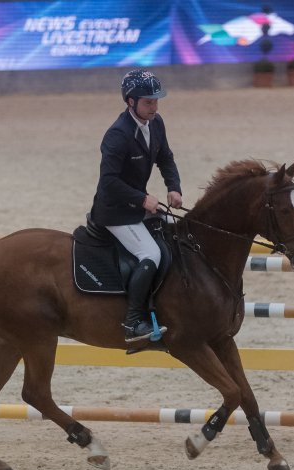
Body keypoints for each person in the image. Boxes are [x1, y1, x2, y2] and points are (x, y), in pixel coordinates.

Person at [89, 69, 183, 343]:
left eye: (156, 101)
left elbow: (165, 157)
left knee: (176, 232)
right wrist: (143, 199)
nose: (154, 107)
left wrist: (173, 187)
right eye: (148, 102)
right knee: (150, 254)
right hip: (115, 211)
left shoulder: (156, 123)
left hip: (138, 204)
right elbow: (108, 182)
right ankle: (133, 322)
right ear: (130, 102)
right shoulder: (117, 135)